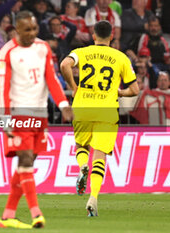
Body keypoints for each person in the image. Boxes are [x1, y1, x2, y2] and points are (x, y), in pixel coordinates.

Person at [0, 11, 73, 229]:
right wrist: (5, 118)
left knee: (25, 166)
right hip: (19, 114)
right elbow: (3, 87)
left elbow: (51, 78)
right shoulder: (7, 52)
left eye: (34, 29)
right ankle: (36, 213)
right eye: (27, 29)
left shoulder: (43, 48)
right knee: (26, 161)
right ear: (16, 30)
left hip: (41, 114)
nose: (32, 33)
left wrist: (64, 105)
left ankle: (8, 215)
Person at [60, 20, 139, 217]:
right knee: (100, 153)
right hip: (107, 109)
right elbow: (135, 90)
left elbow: (64, 65)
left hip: (83, 106)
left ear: (93, 36)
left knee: (81, 146)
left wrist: (73, 86)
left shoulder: (82, 52)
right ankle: (93, 197)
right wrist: (119, 93)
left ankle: (82, 166)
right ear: (111, 37)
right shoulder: (120, 57)